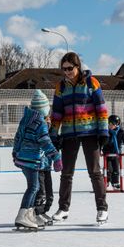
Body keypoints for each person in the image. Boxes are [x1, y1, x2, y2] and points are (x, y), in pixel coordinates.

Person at [49, 52, 110, 224]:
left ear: (77, 67)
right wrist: (54, 134)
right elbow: (57, 113)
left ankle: (102, 209)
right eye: (63, 69)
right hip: (69, 134)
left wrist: (103, 132)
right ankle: (63, 208)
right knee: (66, 174)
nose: (66, 72)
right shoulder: (60, 87)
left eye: (69, 68)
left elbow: (101, 109)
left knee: (94, 172)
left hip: (90, 133)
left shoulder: (91, 83)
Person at [11, 90, 61, 230]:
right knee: (33, 187)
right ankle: (22, 216)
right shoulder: (40, 122)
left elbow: (18, 137)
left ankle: (30, 215)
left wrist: (15, 152)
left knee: (35, 187)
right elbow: (45, 142)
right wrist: (56, 157)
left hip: (22, 158)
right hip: (31, 160)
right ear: (44, 109)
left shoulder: (26, 119)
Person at [34, 113, 56, 225]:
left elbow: (54, 147)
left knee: (50, 195)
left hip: (47, 167)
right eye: (45, 120)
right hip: (38, 167)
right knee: (41, 193)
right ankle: (37, 213)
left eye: (49, 120)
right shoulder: (38, 131)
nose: (48, 122)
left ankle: (42, 211)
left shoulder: (52, 133)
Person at [102, 114, 124, 189]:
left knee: (116, 169)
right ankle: (106, 181)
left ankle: (115, 182)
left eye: (112, 124)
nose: (110, 125)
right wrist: (99, 150)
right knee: (108, 169)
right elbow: (100, 141)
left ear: (117, 124)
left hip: (116, 153)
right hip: (107, 153)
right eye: (109, 124)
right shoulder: (105, 131)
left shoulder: (121, 132)